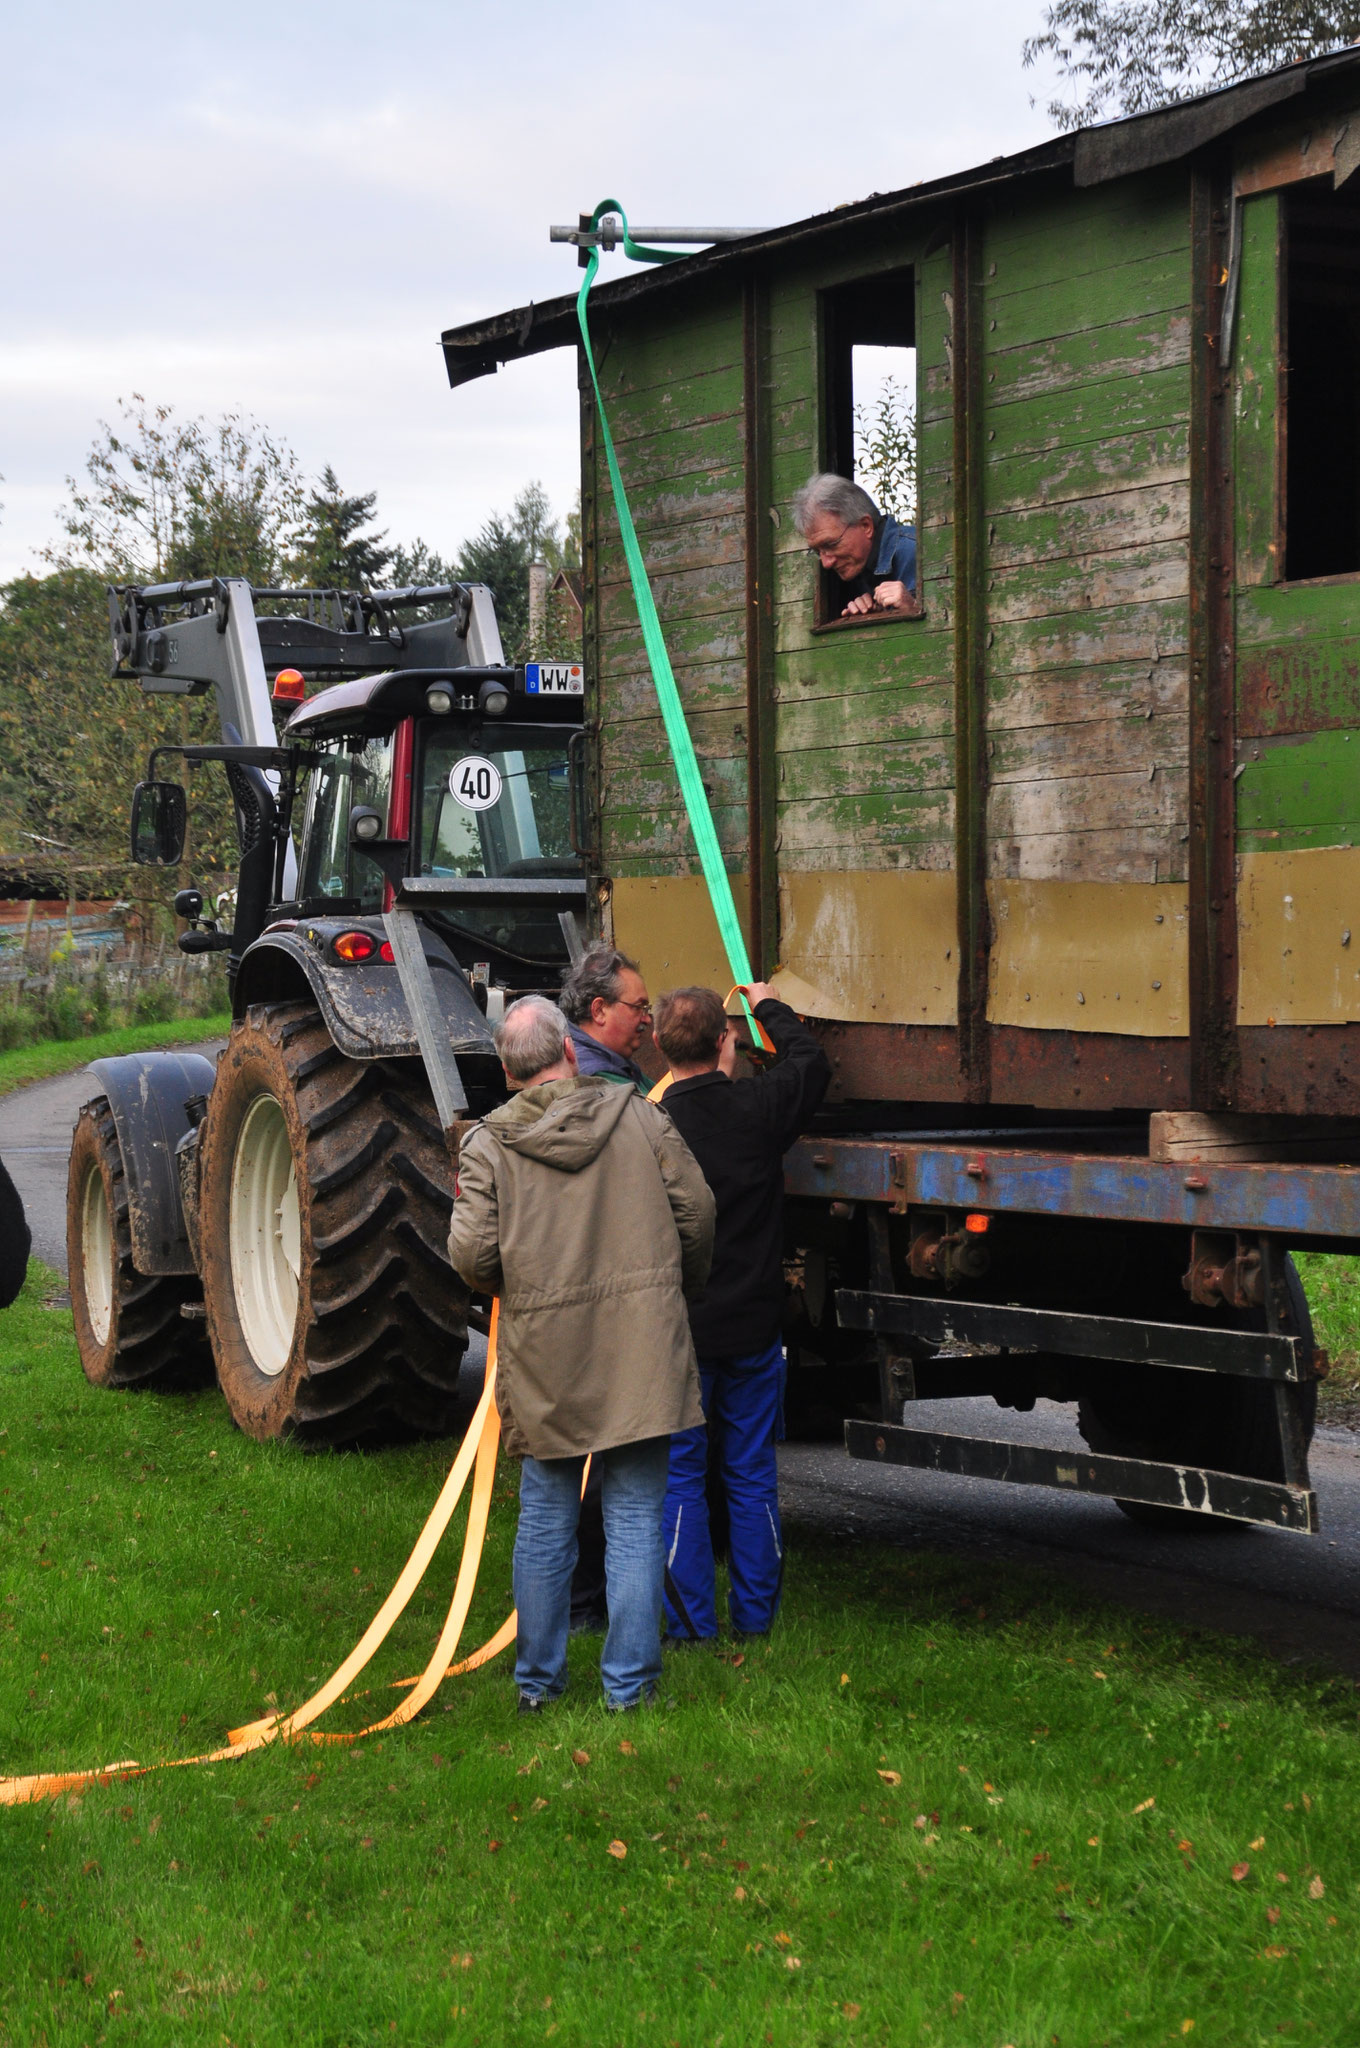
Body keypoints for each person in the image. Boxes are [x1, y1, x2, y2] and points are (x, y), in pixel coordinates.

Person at [448, 994, 714, 1712]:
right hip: (641, 1345)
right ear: (569, 1049)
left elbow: (470, 1256)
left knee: (546, 1515)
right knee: (632, 1516)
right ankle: (629, 1688)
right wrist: (674, 1288)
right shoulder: (642, 1116)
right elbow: (698, 1211)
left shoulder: (486, 1146)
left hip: (546, 1351)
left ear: (507, 1072)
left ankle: (538, 1685)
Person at [650, 982, 830, 1642]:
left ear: (657, 1047)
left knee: (681, 1480)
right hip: (754, 1331)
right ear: (726, 1040)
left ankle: (691, 1626)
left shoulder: (652, 1126)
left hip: (680, 1336)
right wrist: (770, 1006)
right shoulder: (757, 1109)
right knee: (752, 1476)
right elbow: (810, 1063)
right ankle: (755, 1621)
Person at [790, 472, 917, 618]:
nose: (826, 564)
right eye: (818, 552)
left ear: (866, 526)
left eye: (832, 544)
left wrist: (913, 607)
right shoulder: (852, 569)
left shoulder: (918, 551)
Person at [558, 944, 654, 1090]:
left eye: (646, 1009)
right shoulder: (596, 1077)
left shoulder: (613, 1059)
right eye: (638, 1007)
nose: (647, 1019)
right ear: (599, 1010)